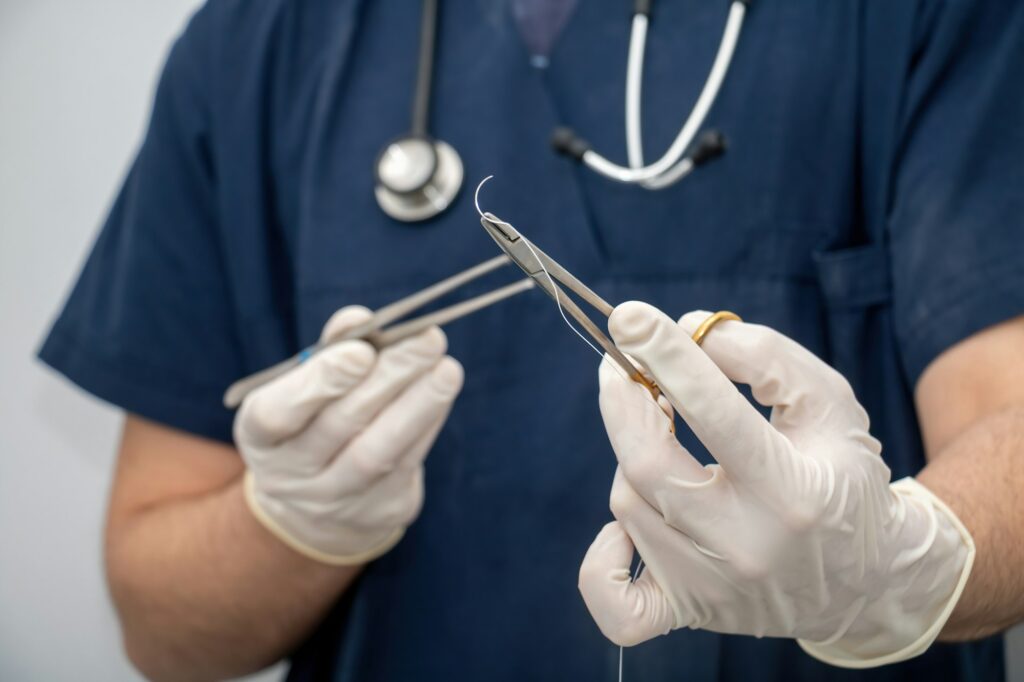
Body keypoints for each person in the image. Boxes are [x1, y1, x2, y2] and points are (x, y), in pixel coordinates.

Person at [39, 1, 1024, 680]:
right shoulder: (259, 46)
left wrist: (892, 564)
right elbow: (161, 626)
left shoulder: (915, 16)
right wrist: (294, 520)